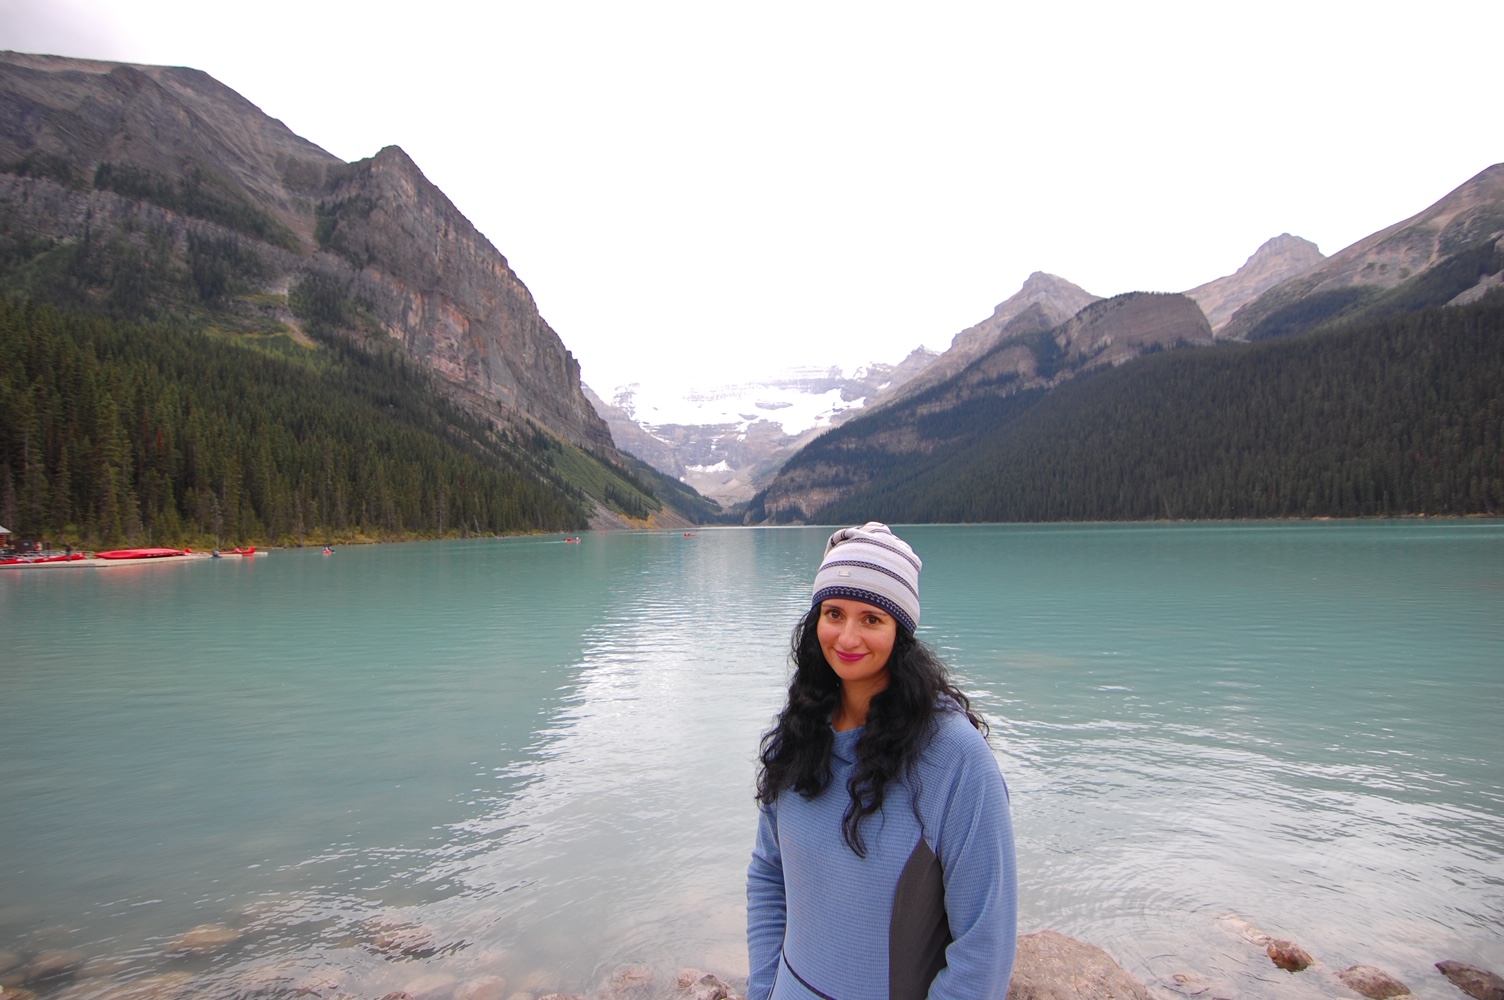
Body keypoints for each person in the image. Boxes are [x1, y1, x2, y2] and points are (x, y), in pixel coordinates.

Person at [747, 522, 1017, 1000]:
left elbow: (985, 947)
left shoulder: (955, 759)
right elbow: (769, 874)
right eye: (834, 613)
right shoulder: (800, 730)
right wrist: (764, 988)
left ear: (901, 631)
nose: (847, 637)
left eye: (872, 618)